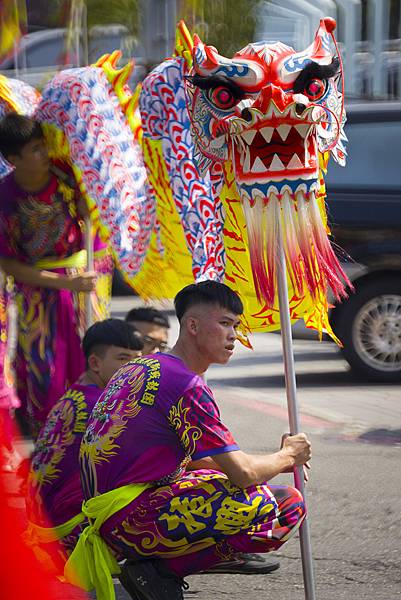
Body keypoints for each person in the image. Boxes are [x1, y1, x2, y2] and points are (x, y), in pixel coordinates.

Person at [69, 281, 311, 600]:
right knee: (284, 505)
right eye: (225, 323)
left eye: (236, 326)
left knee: (220, 479)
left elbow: (205, 461)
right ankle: (162, 570)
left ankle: (160, 564)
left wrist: (275, 462)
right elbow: (243, 474)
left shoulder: (143, 366)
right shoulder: (186, 385)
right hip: (129, 521)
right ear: (193, 325)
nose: (233, 335)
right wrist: (288, 455)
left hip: (107, 515)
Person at [0, 113, 113, 437]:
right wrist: (65, 283)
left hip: (85, 280)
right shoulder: (5, 199)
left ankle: (99, 427)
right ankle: (50, 437)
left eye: (43, 145)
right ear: (13, 159)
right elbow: (9, 264)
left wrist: (87, 200)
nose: (44, 153)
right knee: (44, 368)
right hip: (39, 292)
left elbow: (95, 217)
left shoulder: (68, 175)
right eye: (35, 149)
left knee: (93, 353)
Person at [25, 318, 143, 572]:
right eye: (124, 359)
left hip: (42, 529)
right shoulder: (103, 406)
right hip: (66, 535)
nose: (134, 368)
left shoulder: (76, 394)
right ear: (95, 363)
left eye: (138, 359)